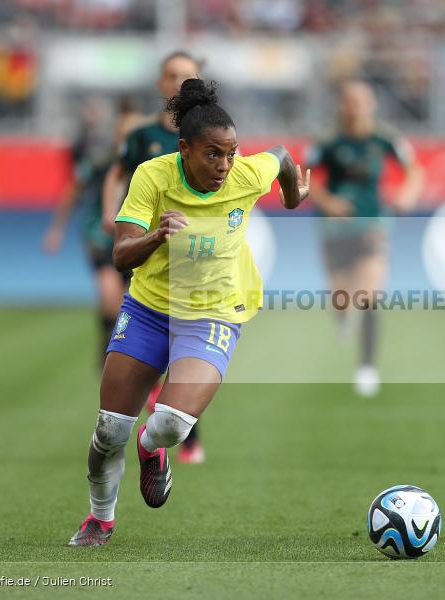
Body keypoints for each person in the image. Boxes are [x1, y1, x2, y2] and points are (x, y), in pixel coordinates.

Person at [68, 78, 310, 547]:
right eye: (212, 154)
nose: (224, 165)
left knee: (174, 423)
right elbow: (120, 255)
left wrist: (292, 195)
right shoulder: (152, 176)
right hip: (150, 308)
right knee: (108, 430)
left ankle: (150, 447)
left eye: (231, 152)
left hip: (214, 312)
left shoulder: (244, 173)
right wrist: (155, 237)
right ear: (184, 149)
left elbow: (279, 154)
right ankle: (100, 519)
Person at [102, 50, 208, 464]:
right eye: (172, 75)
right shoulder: (142, 137)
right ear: (160, 83)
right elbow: (116, 174)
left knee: (188, 346)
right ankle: (169, 429)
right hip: (150, 251)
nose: (179, 83)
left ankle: (182, 431)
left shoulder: (210, 137)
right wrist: (111, 216)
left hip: (195, 259)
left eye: (188, 76)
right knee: (161, 333)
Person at [304, 78, 422, 397]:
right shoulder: (326, 140)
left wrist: (407, 195)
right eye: (350, 100)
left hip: (373, 224)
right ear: (342, 105)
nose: (356, 107)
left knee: (369, 292)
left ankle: (367, 367)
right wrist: (329, 202)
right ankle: (343, 318)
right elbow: (306, 180)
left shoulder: (385, 138)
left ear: (372, 104)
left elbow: (414, 171)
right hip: (334, 228)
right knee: (341, 298)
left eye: (362, 100)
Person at [43, 96, 143, 367]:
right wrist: (56, 229)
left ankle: (123, 347)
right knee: (109, 293)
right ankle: (107, 344)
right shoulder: (101, 159)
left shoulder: (151, 163)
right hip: (100, 234)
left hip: (136, 237)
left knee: (129, 300)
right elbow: (73, 190)